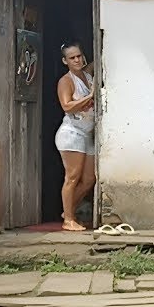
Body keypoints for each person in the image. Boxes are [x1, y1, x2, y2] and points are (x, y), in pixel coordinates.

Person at [55, 42, 97, 232]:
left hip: (87, 134)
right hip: (72, 133)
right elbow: (67, 106)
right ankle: (68, 220)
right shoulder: (67, 80)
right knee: (72, 177)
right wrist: (91, 97)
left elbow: (98, 62)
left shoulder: (87, 75)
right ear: (65, 61)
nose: (77, 60)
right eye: (72, 58)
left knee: (89, 179)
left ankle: (68, 211)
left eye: (79, 56)